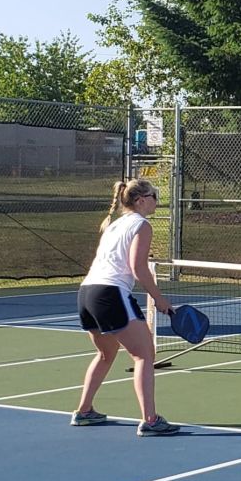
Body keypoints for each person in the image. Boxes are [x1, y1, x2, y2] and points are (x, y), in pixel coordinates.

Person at [73, 179, 180, 436]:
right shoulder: (142, 225)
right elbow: (138, 268)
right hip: (110, 294)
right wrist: (159, 299)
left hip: (87, 293)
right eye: (154, 195)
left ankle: (84, 411)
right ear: (141, 199)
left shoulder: (114, 225)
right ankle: (151, 420)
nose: (157, 199)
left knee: (106, 354)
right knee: (144, 354)